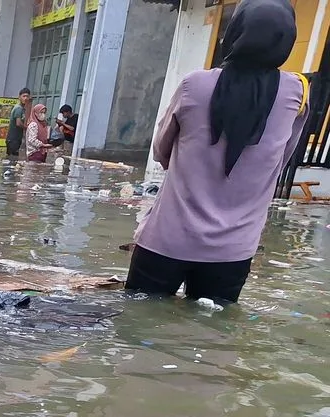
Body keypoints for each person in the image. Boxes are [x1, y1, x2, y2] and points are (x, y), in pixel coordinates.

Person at [128, 0, 309, 305]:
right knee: (209, 340)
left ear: (234, 32)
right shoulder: (296, 94)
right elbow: (281, 159)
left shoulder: (194, 85)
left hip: (167, 240)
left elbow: (161, 150)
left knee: (137, 327)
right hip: (233, 251)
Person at [5, 88, 31, 159]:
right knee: (12, 159)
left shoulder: (22, 109)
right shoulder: (18, 108)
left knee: (12, 159)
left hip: (15, 139)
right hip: (13, 139)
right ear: (19, 97)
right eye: (24, 96)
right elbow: (18, 123)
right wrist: (27, 128)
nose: (26, 98)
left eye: (27, 96)